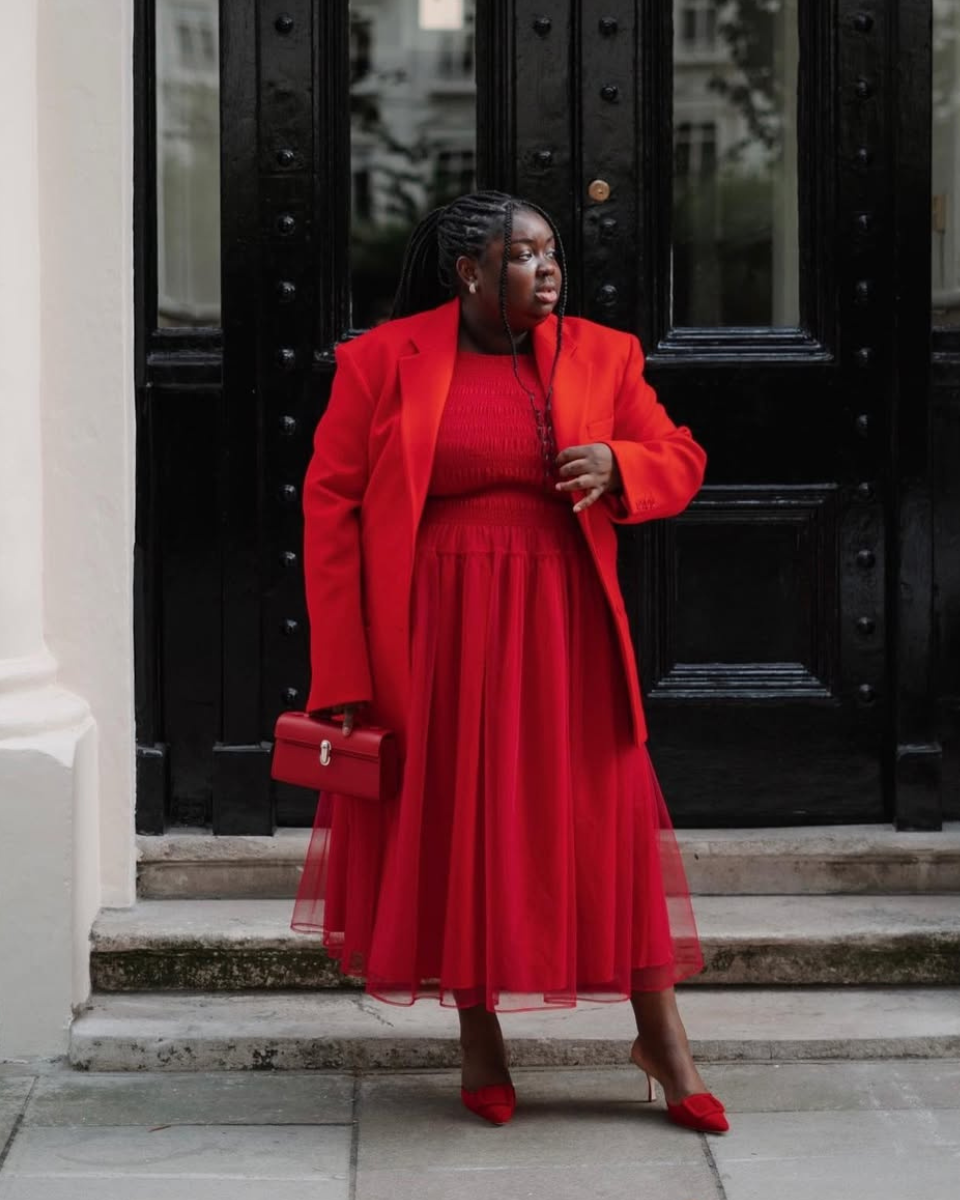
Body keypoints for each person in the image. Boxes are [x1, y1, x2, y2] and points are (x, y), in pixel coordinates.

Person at [291, 190, 727, 1134]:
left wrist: (620, 463)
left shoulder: (605, 353)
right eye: (524, 254)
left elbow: (680, 455)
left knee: (601, 820)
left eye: (552, 250)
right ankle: (478, 1039)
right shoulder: (381, 362)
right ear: (470, 272)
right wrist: (342, 674)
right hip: (431, 633)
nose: (549, 268)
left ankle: (664, 1040)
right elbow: (329, 509)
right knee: (456, 819)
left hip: (562, 626)